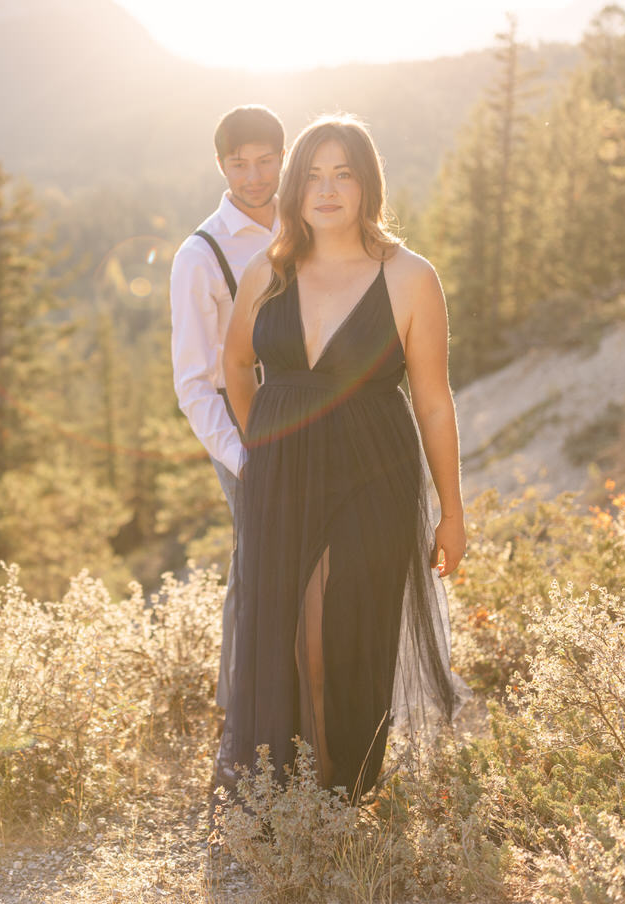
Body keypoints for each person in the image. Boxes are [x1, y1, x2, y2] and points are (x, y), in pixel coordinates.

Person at [216, 113, 466, 803]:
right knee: (289, 637)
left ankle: (338, 797)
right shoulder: (266, 273)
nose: (327, 190)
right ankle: (297, 795)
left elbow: (435, 402)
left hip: (372, 474)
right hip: (283, 480)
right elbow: (236, 364)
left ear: (367, 185)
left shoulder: (410, 277)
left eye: (343, 174)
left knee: (338, 633)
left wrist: (452, 512)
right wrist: (263, 443)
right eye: (314, 175)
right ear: (296, 188)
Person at [169, 105, 285, 714]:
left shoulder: (304, 225)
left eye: (265, 161)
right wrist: (241, 456)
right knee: (260, 562)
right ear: (221, 166)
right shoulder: (200, 253)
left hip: (311, 406)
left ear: (283, 158)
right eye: (239, 164)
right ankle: (241, 712)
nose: (254, 177)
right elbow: (192, 381)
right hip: (241, 422)